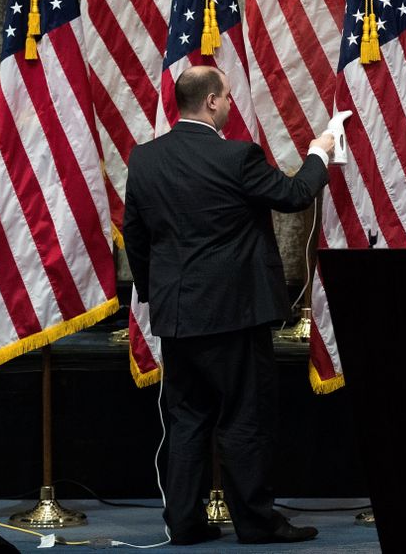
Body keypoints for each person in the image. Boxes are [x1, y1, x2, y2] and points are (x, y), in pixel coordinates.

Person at [123, 65, 333, 545]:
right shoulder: (237, 158)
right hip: (236, 317)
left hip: (179, 317)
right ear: (212, 101)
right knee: (244, 419)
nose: (232, 105)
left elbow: (136, 236)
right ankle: (256, 523)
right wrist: (318, 153)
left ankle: (184, 523)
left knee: (187, 420)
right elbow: (295, 195)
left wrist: (160, 294)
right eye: (229, 98)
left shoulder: (145, 160)